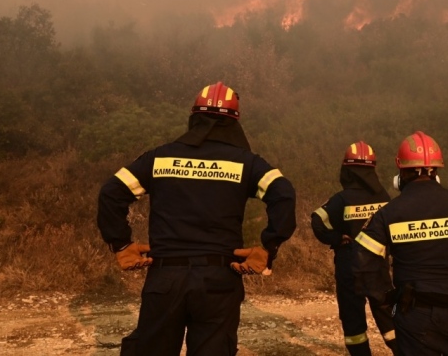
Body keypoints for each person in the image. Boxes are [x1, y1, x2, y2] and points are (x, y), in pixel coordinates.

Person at [97, 81, 297, 356]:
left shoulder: (159, 158)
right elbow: (283, 194)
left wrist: (120, 243)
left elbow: (111, 192)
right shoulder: (246, 163)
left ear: (194, 117)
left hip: (165, 277)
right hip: (219, 279)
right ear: (234, 123)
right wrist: (268, 247)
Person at [353, 131, 448, 356]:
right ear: (437, 171)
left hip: (413, 316)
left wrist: (385, 298)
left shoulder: (388, 214)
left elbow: (361, 261)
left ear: (401, 172)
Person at [311, 141, 401, 356]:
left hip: (348, 267)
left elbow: (317, 219)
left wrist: (335, 237)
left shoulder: (341, 199)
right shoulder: (383, 198)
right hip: (377, 267)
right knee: (386, 313)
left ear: (347, 170)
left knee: (352, 319)